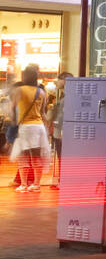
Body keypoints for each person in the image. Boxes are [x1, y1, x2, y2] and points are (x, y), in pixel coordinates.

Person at [9, 64, 51, 193]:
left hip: (25, 126)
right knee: (36, 157)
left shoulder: (19, 90)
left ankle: (23, 184)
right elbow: (43, 112)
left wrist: (13, 124)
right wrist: (47, 127)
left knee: (23, 156)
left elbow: (12, 109)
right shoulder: (41, 92)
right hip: (38, 127)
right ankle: (36, 185)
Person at [48, 70, 72, 188]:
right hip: (59, 129)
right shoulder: (64, 94)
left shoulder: (70, 95)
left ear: (64, 81)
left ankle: (64, 181)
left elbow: (65, 114)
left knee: (63, 156)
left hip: (63, 130)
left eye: (59, 79)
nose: (56, 82)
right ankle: (62, 180)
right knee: (61, 155)